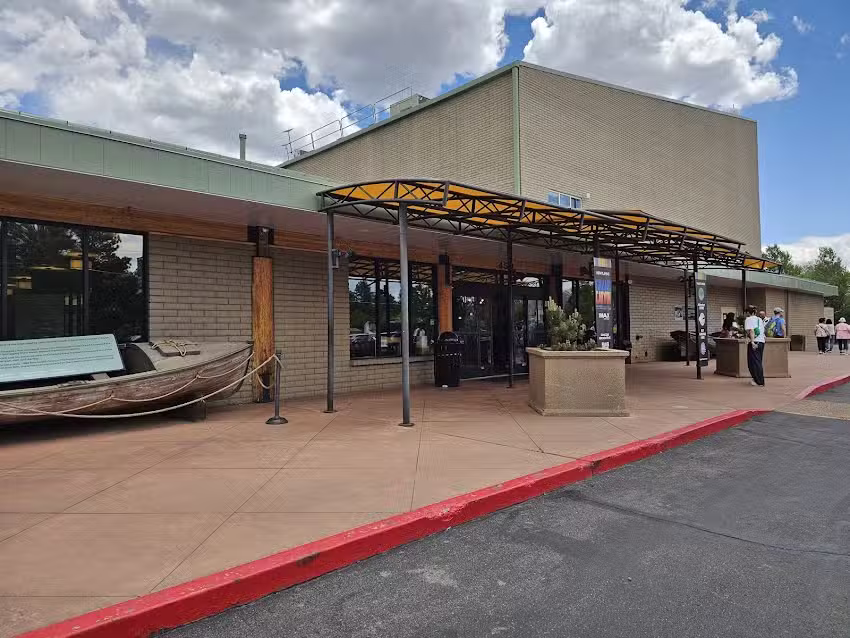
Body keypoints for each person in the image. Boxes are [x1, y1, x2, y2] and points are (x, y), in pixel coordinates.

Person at [744, 305, 765, 387]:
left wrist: (752, 342)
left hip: (755, 342)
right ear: (755, 312)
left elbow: (751, 330)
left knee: (753, 363)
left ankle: (759, 381)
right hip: (761, 342)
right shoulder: (759, 319)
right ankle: (758, 379)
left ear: (748, 312)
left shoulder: (748, 319)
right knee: (758, 362)